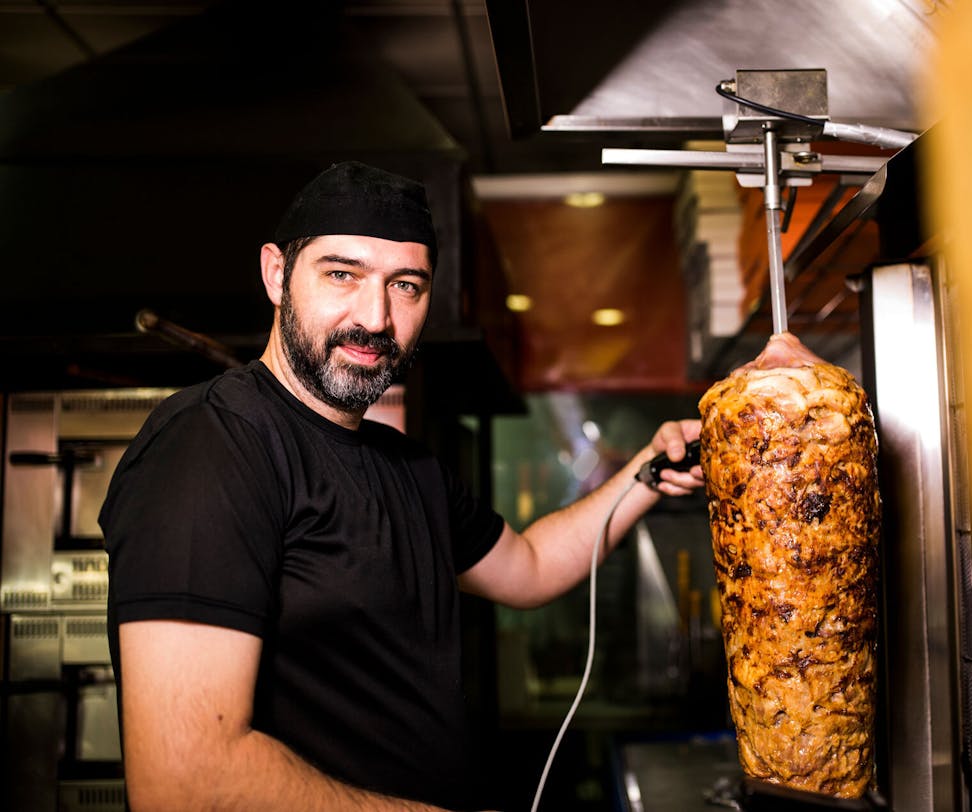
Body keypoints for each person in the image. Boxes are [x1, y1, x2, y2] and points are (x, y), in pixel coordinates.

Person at [99, 161, 704, 812]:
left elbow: (527, 568)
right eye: (342, 274)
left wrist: (646, 471)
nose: (376, 317)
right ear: (276, 274)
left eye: (406, 286)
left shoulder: (407, 467)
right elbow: (186, 781)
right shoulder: (212, 446)